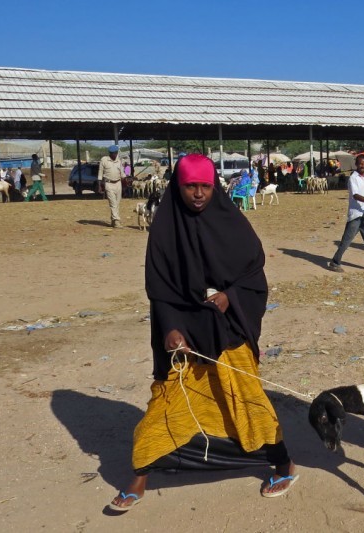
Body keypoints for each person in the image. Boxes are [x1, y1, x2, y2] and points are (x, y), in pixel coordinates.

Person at [108, 154, 297, 512]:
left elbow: (253, 276)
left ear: (215, 186)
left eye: (205, 186)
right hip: (183, 332)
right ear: (177, 188)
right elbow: (160, 290)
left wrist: (231, 297)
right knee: (167, 404)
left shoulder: (233, 225)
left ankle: (284, 463)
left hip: (227, 327)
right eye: (190, 186)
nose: (198, 193)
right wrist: (171, 329)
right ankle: (140, 477)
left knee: (247, 399)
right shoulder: (165, 230)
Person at [97, 145, 125, 227]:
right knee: (113, 203)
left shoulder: (119, 161)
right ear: (110, 153)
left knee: (117, 203)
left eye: (115, 153)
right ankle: (116, 221)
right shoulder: (104, 160)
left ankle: (113, 220)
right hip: (108, 184)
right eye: (112, 153)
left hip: (118, 183)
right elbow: (100, 173)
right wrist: (99, 186)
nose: (114, 155)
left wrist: (127, 177)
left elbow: (123, 173)